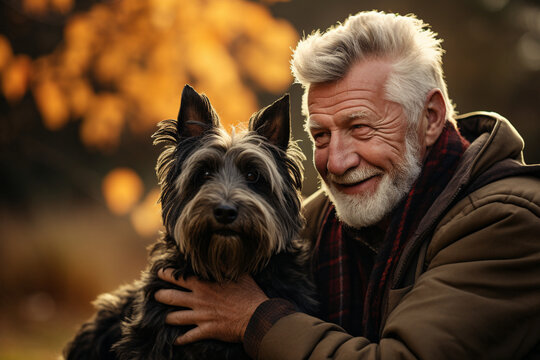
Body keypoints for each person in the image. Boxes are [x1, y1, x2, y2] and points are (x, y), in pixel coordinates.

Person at [155, 10, 540, 359]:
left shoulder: (507, 223)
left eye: (361, 128)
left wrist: (257, 318)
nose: (337, 162)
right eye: (320, 135)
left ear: (432, 117)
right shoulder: (317, 219)